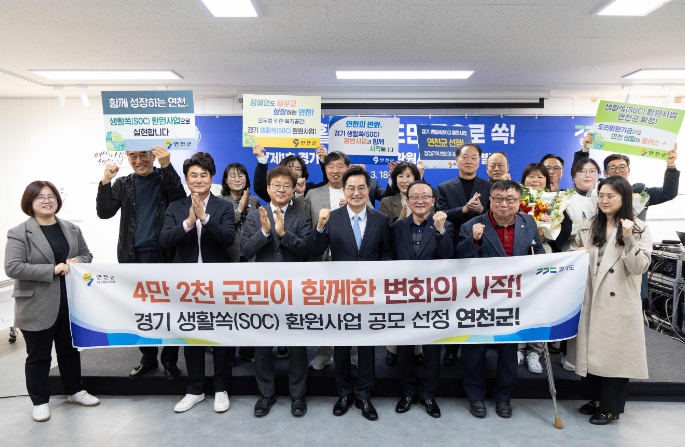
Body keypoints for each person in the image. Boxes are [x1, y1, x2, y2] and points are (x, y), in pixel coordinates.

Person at [5, 181, 100, 422]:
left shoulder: (71, 229)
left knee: (70, 351)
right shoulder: (19, 232)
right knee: (38, 356)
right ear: (30, 202)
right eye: (40, 197)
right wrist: (52, 270)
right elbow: (13, 267)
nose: (47, 201)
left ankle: (75, 391)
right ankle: (39, 401)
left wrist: (78, 260)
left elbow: (87, 254)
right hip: (36, 304)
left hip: (69, 301)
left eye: (51, 196)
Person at [456, 180, 545, 419]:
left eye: (510, 199)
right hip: (480, 299)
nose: (503, 204)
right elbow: (459, 258)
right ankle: (475, 396)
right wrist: (474, 240)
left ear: (519, 202)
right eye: (498, 199)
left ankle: (504, 396)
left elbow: (536, 251)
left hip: (512, 299)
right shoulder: (472, 225)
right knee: (474, 350)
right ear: (490, 200)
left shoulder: (528, 222)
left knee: (508, 349)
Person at [309, 166, 393, 421]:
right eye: (351, 188)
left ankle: (364, 395)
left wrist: (378, 272)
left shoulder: (380, 220)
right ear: (344, 191)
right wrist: (320, 226)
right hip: (341, 293)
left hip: (369, 293)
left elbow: (387, 253)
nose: (356, 193)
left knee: (367, 347)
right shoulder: (332, 218)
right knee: (342, 345)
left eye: (361, 188)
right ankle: (344, 393)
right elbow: (314, 249)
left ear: (369, 190)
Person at [96, 146, 186, 380]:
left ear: (153, 155)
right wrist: (105, 181)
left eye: (143, 155)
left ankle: (170, 361)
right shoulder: (123, 183)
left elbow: (180, 201)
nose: (138, 160)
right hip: (132, 258)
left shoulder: (165, 178)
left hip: (164, 256)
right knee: (140, 311)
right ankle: (148, 359)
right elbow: (104, 212)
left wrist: (167, 166)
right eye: (132, 156)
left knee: (168, 311)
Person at [568, 175, 652, 425]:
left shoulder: (638, 227)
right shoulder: (590, 224)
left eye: (611, 196)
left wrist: (628, 237)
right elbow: (574, 250)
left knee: (615, 356)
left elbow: (640, 267)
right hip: (591, 295)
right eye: (601, 196)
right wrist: (577, 253)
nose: (604, 201)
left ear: (623, 198)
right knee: (592, 351)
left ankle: (611, 408)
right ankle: (595, 400)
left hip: (618, 301)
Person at [158, 152, 236, 414]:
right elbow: (165, 240)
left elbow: (228, 238)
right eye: (194, 175)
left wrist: (205, 218)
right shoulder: (175, 207)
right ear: (186, 179)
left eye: (204, 175)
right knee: (192, 335)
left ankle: (221, 388)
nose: (199, 179)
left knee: (221, 335)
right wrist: (190, 221)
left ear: (211, 178)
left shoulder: (223, 206)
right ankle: (195, 389)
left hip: (218, 282)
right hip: (186, 283)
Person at [241, 167, 312, 418]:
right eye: (276, 185)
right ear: (268, 188)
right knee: (263, 344)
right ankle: (266, 394)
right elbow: (246, 251)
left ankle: (298, 395)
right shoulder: (255, 216)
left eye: (286, 186)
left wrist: (284, 234)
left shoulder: (302, 216)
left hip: (294, 290)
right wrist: (264, 232)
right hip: (264, 290)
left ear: (293, 189)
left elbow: (306, 250)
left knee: (297, 344)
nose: (281, 190)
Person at [390, 180, 453, 419]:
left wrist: (440, 230)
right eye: (414, 196)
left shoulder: (446, 225)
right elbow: (388, 255)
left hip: (433, 298)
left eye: (425, 196)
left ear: (433, 201)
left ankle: (428, 394)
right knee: (404, 347)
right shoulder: (396, 227)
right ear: (407, 201)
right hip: (403, 296)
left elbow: (448, 255)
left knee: (431, 349)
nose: (420, 201)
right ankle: (407, 392)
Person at [436, 143, 492, 366]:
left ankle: (477, 348)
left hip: (481, 247)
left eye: (474, 157)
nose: (469, 161)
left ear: (480, 162)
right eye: (465, 157)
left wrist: (482, 211)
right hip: (453, 248)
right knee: (453, 300)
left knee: (479, 300)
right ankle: (451, 348)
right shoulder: (444, 187)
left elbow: (497, 214)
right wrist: (465, 210)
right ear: (456, 160)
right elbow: (441, 214)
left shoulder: (489, 186)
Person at [304, 151, 353, 370]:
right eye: (330, 166)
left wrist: (352, 207)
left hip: (349, 260)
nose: (335, 170)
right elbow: (303, 222)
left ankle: (354, 352)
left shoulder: (356, 191)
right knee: (324, 309)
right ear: (325, 169)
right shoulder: (313, 194)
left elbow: (371, 215)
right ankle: (324, 352)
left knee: (351, 308)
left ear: (348, 168)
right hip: (322, 259)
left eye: (340, 165)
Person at [380, 161, 427, 366]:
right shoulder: (387, 201)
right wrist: (401, 219)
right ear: (394, 179)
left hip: (420, 261)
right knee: (396, 308)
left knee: (419, 308)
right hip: (396, 261)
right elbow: (382, 232)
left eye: (409, 176)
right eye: (400, 176)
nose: (404, 180)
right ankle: (392, 349)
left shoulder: (425, 198)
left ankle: (418, 349)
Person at [576, 133, 679, 220]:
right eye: (612, 167)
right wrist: (585, 150)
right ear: (605, 172)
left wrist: (670, 165)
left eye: (622, 167)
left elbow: (668, 193)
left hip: (633, 237)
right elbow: (579, 174)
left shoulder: (640, 190)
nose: (617, 171)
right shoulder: (596, 188)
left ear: (628, 171)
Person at [218, 162, 260, 362]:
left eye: (241, 175)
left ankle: (247, 349)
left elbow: (258, 227)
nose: (237, 179)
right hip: (228, 258)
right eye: (232, 176)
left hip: (250, 258)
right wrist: (240, 208)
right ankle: (226, 351)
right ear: (225, 180)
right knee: (228, 306)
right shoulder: (219, 201)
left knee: (249, 305)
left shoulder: (255, 200)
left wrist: (248, 208)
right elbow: (222, 228)